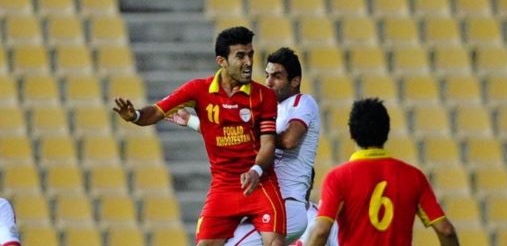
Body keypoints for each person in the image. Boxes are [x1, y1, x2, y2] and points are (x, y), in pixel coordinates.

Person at [113, 26, 286, 246]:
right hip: (224, 187)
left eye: (250, 54)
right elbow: (156, 112)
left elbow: (268, 144)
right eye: (240, 56)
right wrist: (135, 115)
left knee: (276, 244)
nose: (249, 62)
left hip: (260, 183)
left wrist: (256, 170)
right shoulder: (198, 90)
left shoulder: (264, 96)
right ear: (221, 61)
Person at [169, 47, 336, 245]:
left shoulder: (303, 102)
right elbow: (234, 135)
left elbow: (289, 140)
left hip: (287, 206)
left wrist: (255, 133)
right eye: (266, 75)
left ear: (295, 81)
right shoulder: (270, 107)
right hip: (263, 202)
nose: (268, 82)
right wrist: (191, 121)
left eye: (276, 76)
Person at [308, 98, 459, 246]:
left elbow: (321, 232)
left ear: (351, 133)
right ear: (387, 131)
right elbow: (446, 231)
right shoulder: (413, 177)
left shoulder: (338, 178)